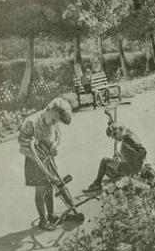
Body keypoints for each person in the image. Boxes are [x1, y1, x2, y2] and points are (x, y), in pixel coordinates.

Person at [18, 97, 72, 231]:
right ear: (50, 109)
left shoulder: (54, 122)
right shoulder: (32, 121)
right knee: (41, 190)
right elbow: (21, 140)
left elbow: (58, 135)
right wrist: (34, 145)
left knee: (50, 186)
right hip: (35, 162)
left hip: (48, 160)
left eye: (56, 121)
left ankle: (51, 215)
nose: (54, 123)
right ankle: (42, 220)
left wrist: (55, 144)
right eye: (54, 119)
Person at [84, 121, 147, 192]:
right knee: (107, 170)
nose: (115, 137)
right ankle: (124, 179)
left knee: (104, 161)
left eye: (115, 134)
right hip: (134, 167)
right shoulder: (128, 133)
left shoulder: (127, 137)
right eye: (113, 137)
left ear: (120, 129)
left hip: (133, 168)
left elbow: (143, 151)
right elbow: (133, 152)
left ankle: (97, 184)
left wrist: (136, 165)